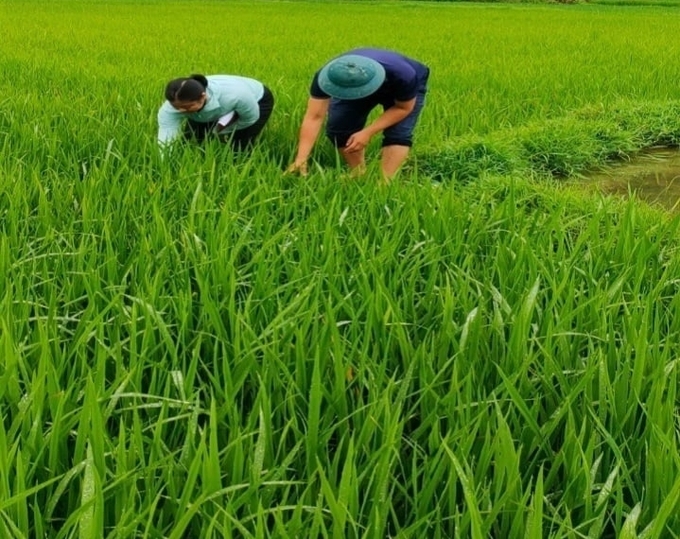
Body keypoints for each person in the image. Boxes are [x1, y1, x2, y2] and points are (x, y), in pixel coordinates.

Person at [287, 48, 429, 180]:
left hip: (399, 85)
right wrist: (301, 158)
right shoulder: (326, 77)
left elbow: (403, 108)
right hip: (354, 81)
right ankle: (359, 174)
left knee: (398, 133)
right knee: (339, 128)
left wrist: (368, 132)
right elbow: (314, 117)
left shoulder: (404, 75)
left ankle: (385, 184)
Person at [157, 74, 274, 153]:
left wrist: (221, 129)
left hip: (258, 99)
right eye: (177, 107)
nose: (181, 111)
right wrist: (164, 159)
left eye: (186, 107)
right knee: (193, 139)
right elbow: (167, 134)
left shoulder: (237, 96)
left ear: (202, 97)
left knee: (240, 143)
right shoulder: (174, 106)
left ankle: (238, 168)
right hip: (217, 103)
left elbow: (249, 119)